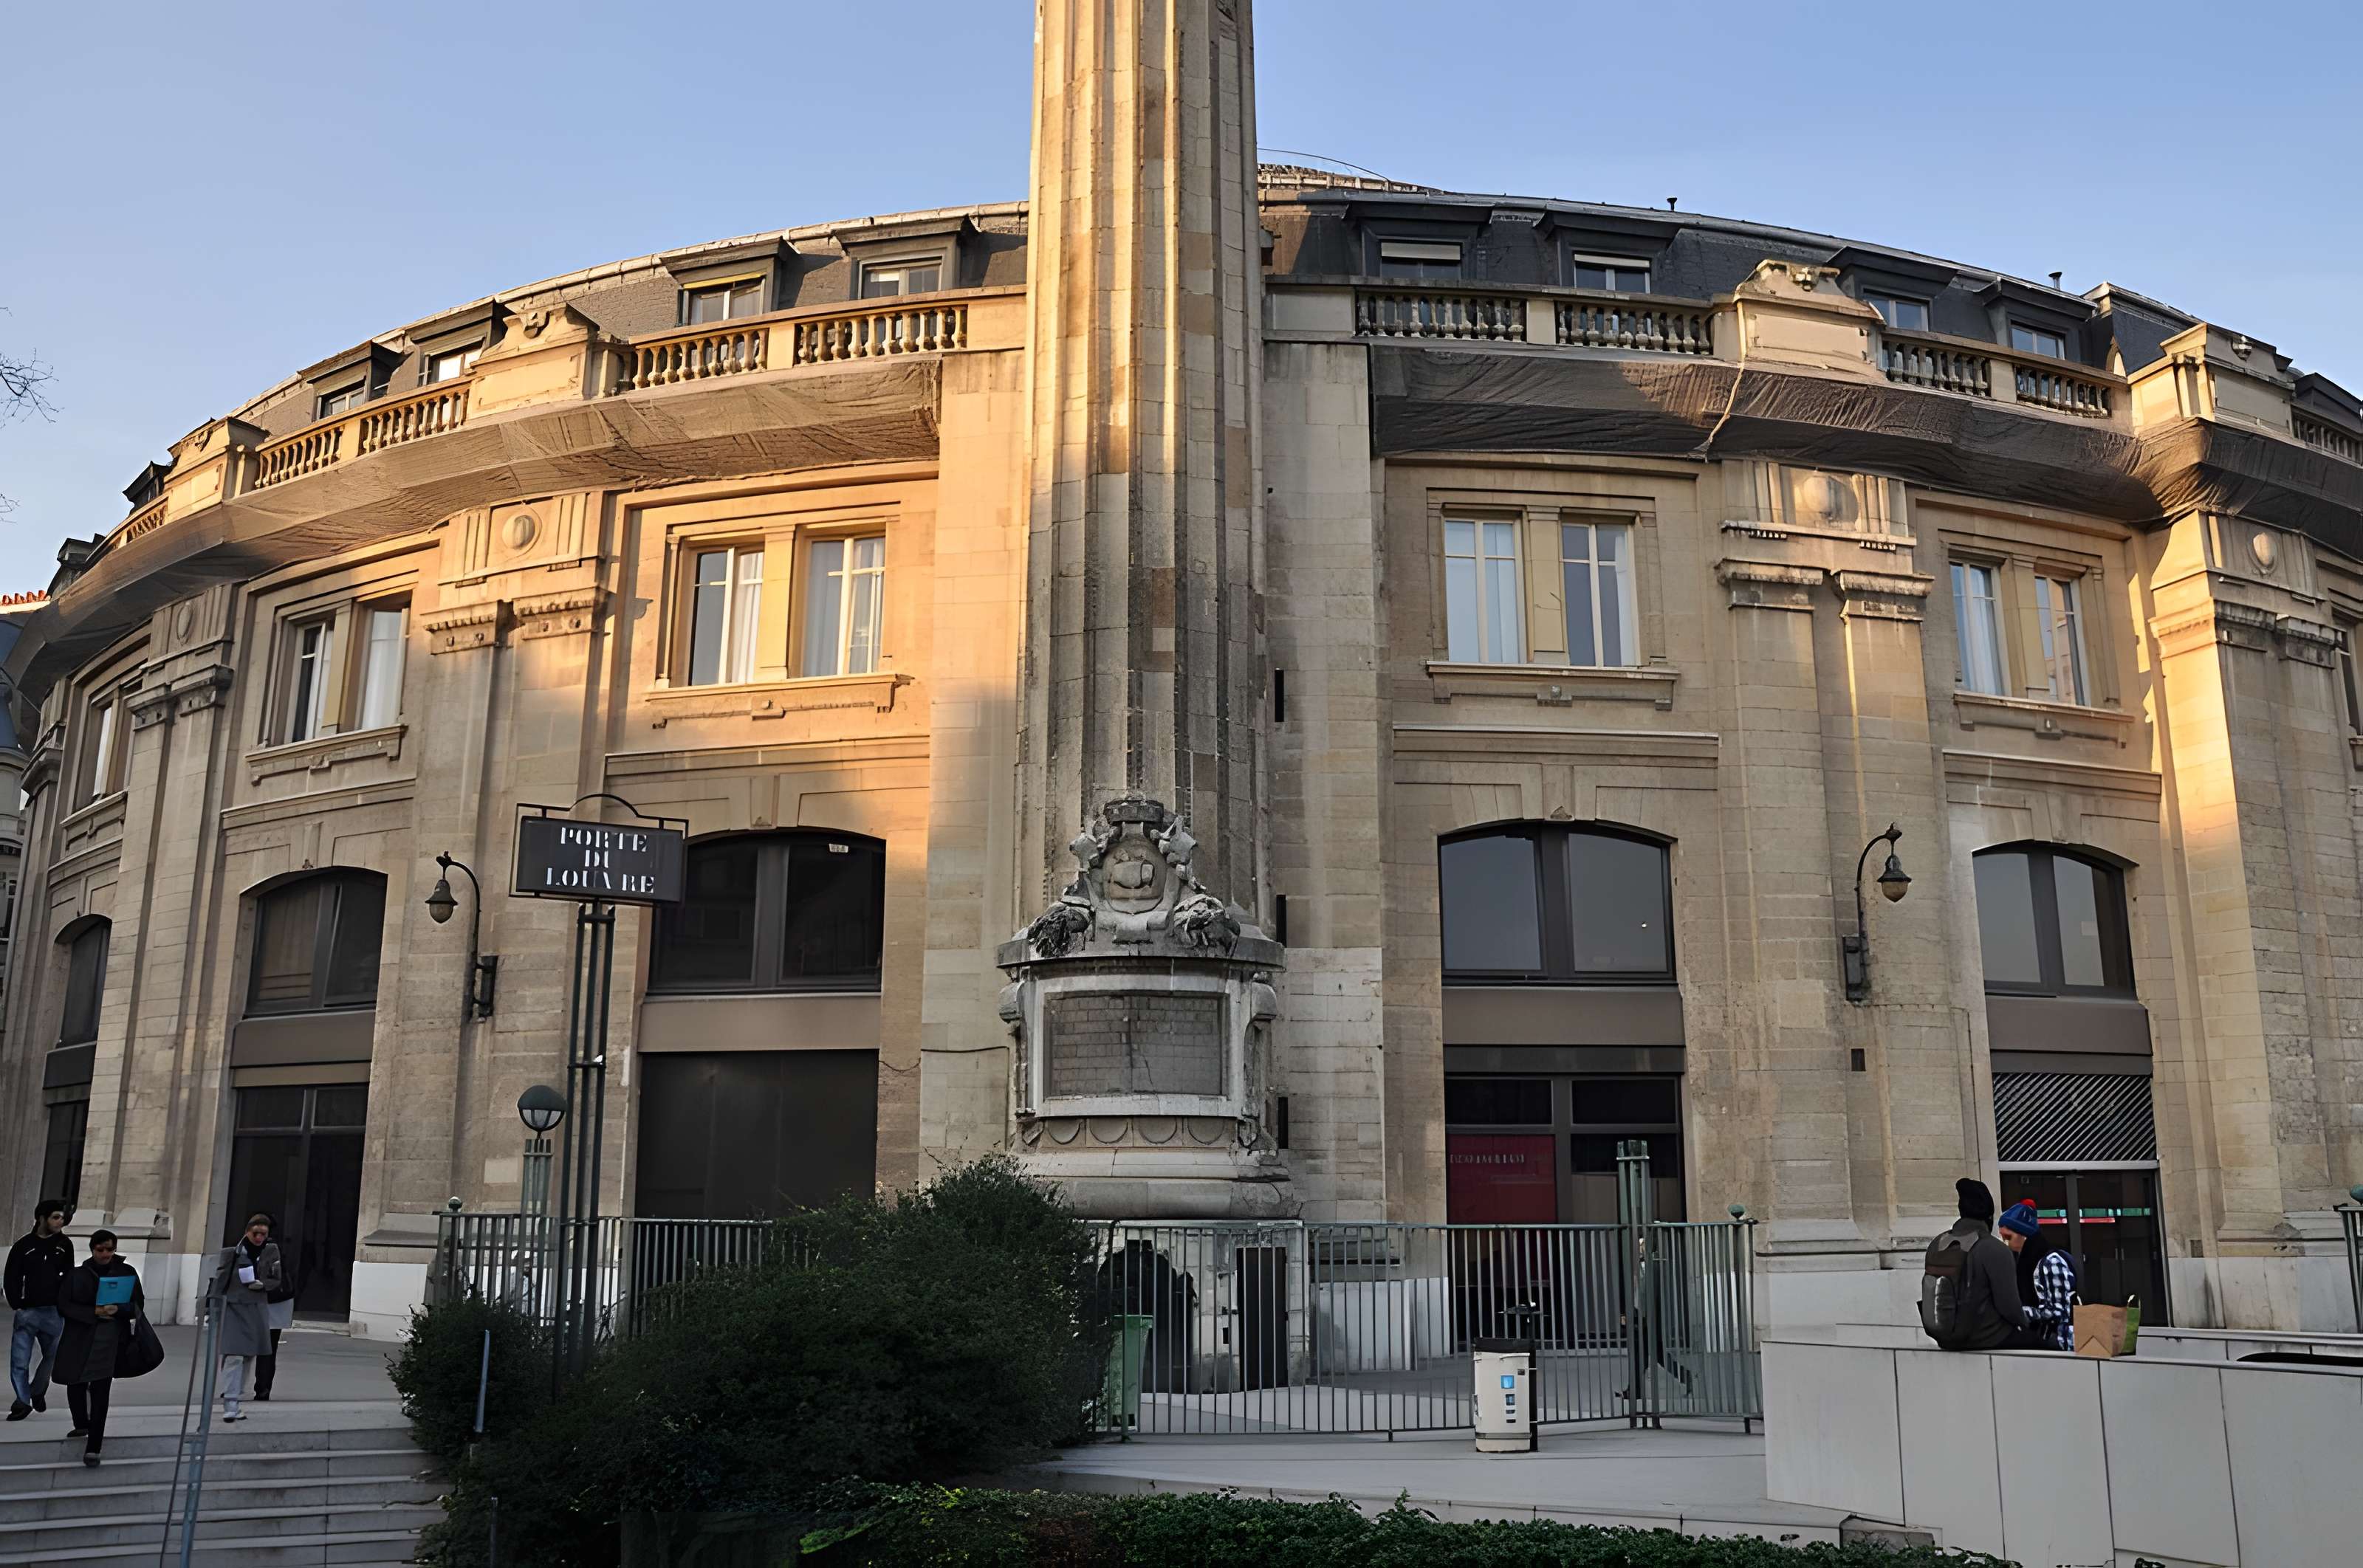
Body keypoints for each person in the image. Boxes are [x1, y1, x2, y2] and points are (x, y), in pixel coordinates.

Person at [55, 1229, 143, 1466]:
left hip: (110, 1339)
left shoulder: (126, 1272)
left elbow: (137, 1304)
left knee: (101, 1389)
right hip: (80, 1337)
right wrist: (93, 1312)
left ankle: (94, 1447)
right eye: (100, 1250)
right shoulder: (77, 1274)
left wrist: (119, 1310)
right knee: (75, 1381)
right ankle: (82, 1423)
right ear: (92, 1249)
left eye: (110, 1250)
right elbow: (64, 1304)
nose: (105, 1254)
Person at [1920, 1177, 2025, 1351]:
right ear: (1989, 1216)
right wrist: (2027, 1324)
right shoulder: (1994, 1248)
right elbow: (2010, 1308)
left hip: (1944, 1338)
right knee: (2049, 1344)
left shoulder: (1937, 1244)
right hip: (1986, 1338)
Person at [4, 1199, 75, 1420]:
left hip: (54, 1312)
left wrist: (65, 1305)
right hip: (28, 1312)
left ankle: (36, 1390)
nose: (60, 1221)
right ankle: (22, 1402)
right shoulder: (24, 1245)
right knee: (19, 1361)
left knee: (53, 1356)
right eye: (56, 1217)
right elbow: (11, 1276)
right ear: (42, 1218)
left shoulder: (65, 1244)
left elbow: (69, 1276)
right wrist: (17, 1303)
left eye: (62, 1217)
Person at [211, 1214, 282, 1422]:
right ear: (247, 1232)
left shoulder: (271, 1250)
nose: (259, 1238)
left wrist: (263, 1285)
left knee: (249, 1355)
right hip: (234, 1306)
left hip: (256, 1307)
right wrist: (212, 1306)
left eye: (263, 1234)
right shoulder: (233, 1252)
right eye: (255, 1233)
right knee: (234, 1355)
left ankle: (236, 1399)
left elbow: (276, 1278)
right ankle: (230, 1402)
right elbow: (220, 1279)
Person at [1997, 1199, 2076, 1351]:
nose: (2006, 1243)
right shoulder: (2023, 1262)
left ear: (2024, 1235)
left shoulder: (2051, 1262)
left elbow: (2058, 1312)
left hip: (2060, 1344)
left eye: (2008, 1237)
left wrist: (2020, 1312)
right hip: (2042, 1342)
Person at [254, 1215, 294, 1402]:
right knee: (269, 1349)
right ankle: (263, 1388)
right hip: (279, 1302)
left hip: (261, 1301)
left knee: (244, 1346)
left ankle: (238, 1386)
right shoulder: (282, 1248)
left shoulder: (259, 1248)